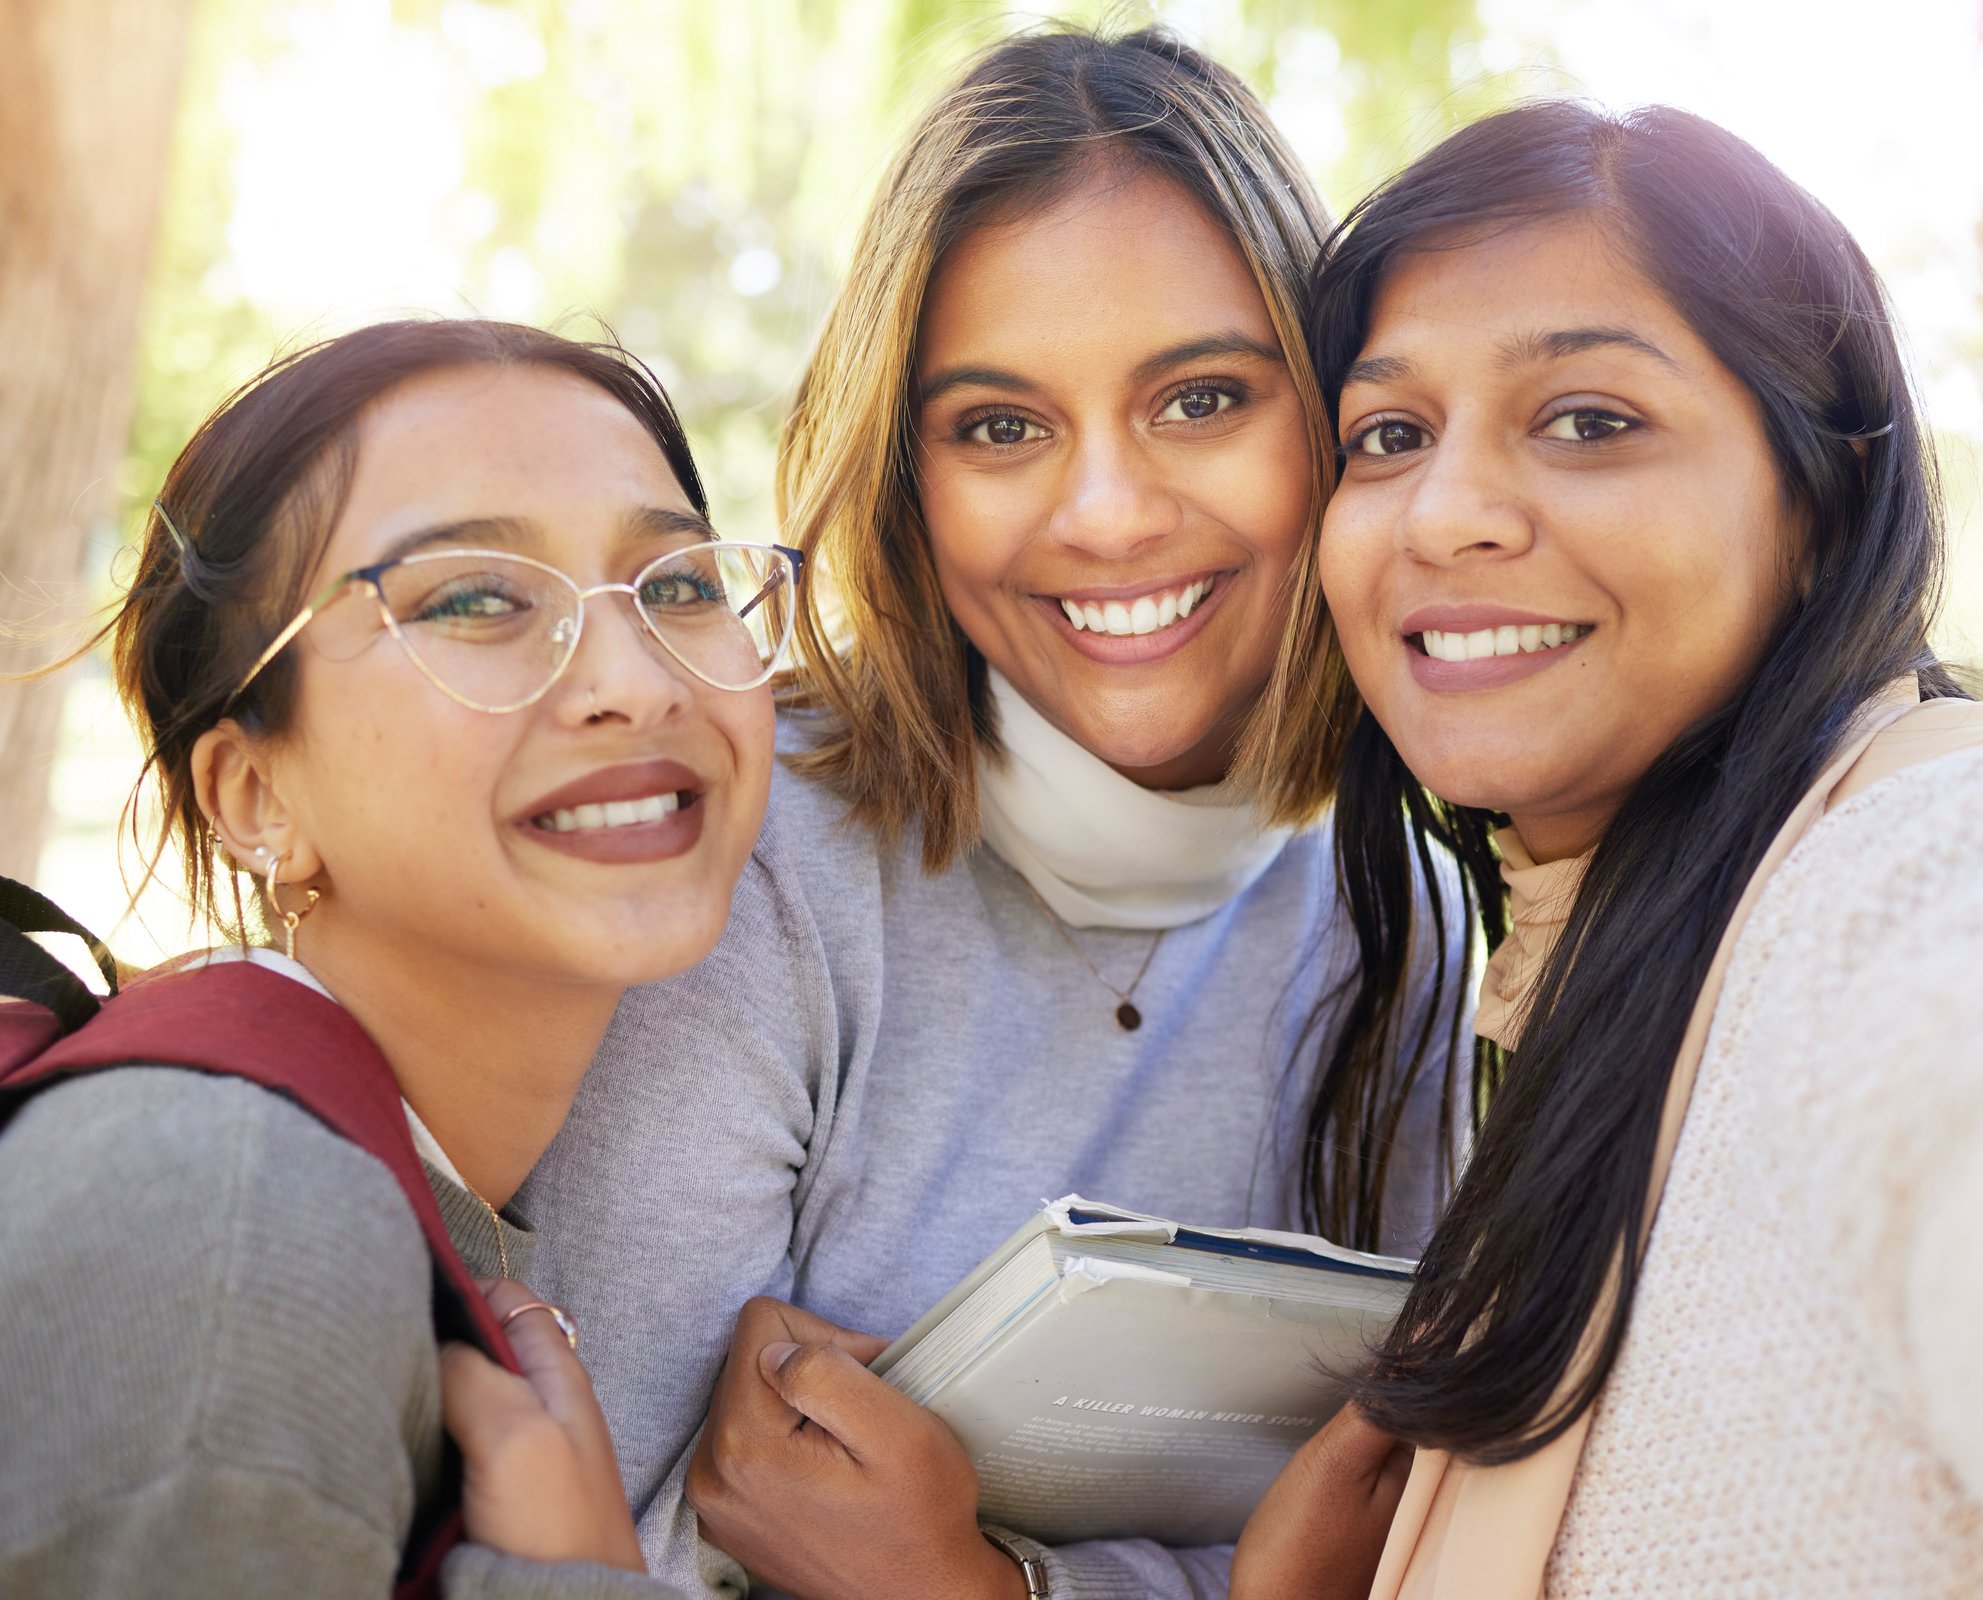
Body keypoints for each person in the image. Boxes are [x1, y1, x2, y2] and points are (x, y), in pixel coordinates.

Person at [1230, 102, 1983, 1598]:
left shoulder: (1924, 858)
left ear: (1820, 497)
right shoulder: (1582, 955)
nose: (1451, 513)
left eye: (1590, 421)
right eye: (1389, 435)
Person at [513, 25, 1466, 1600]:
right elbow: (611, 1530)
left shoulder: (1403, 919)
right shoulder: (759, 860)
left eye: (1203, 399)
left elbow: (1393, 1546)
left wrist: (970, 1585)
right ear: (908, 473)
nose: (1105, 513)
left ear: (1335, 421)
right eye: (1002, 428)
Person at [0, 318, 784, 1598]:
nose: (635, 682)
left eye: (680, 585)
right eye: (474, 600)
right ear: (255, 794)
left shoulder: (370, 1181)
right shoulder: (230, 1217)